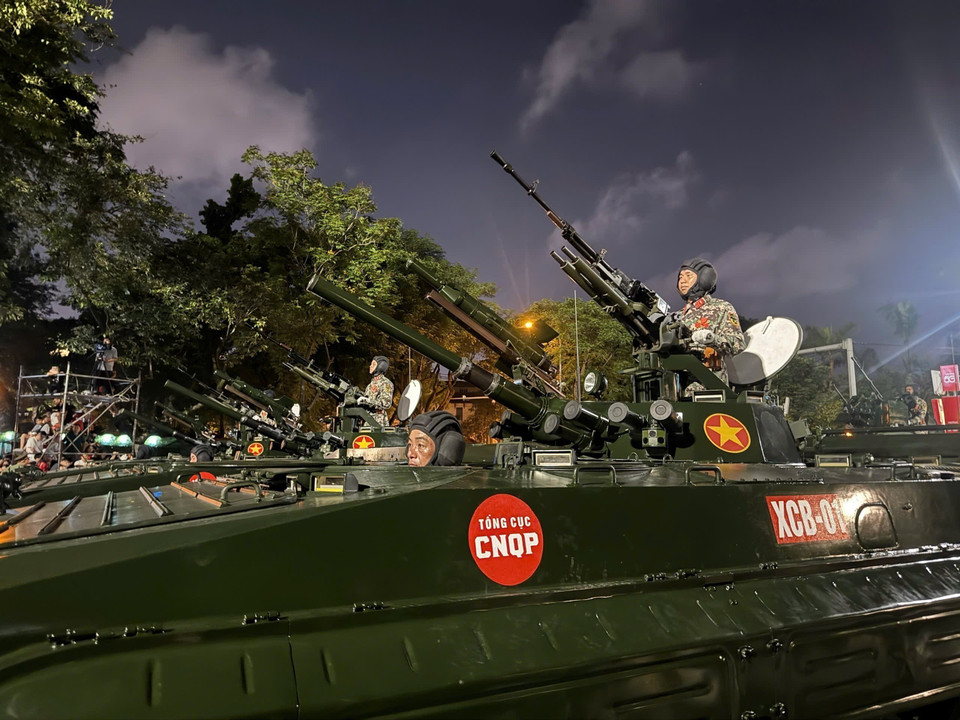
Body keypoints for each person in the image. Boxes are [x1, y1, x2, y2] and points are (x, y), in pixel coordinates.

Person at [674, 257, 745, 396]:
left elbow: (738, 343)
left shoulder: (721, 307)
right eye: (680, 277)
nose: (682, 281)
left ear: (704, 279)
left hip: (709, 387)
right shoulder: (676, 317)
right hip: (676, 388)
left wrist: (712, 339)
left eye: (688, 276)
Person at [362, 355, 395, 426]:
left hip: (378, 421)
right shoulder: (370, 385)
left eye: (373, 364)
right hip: (367, 419)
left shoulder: (386, 383)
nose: (370, 366)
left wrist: (368, 401)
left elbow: (386, 403)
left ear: (380, 366)